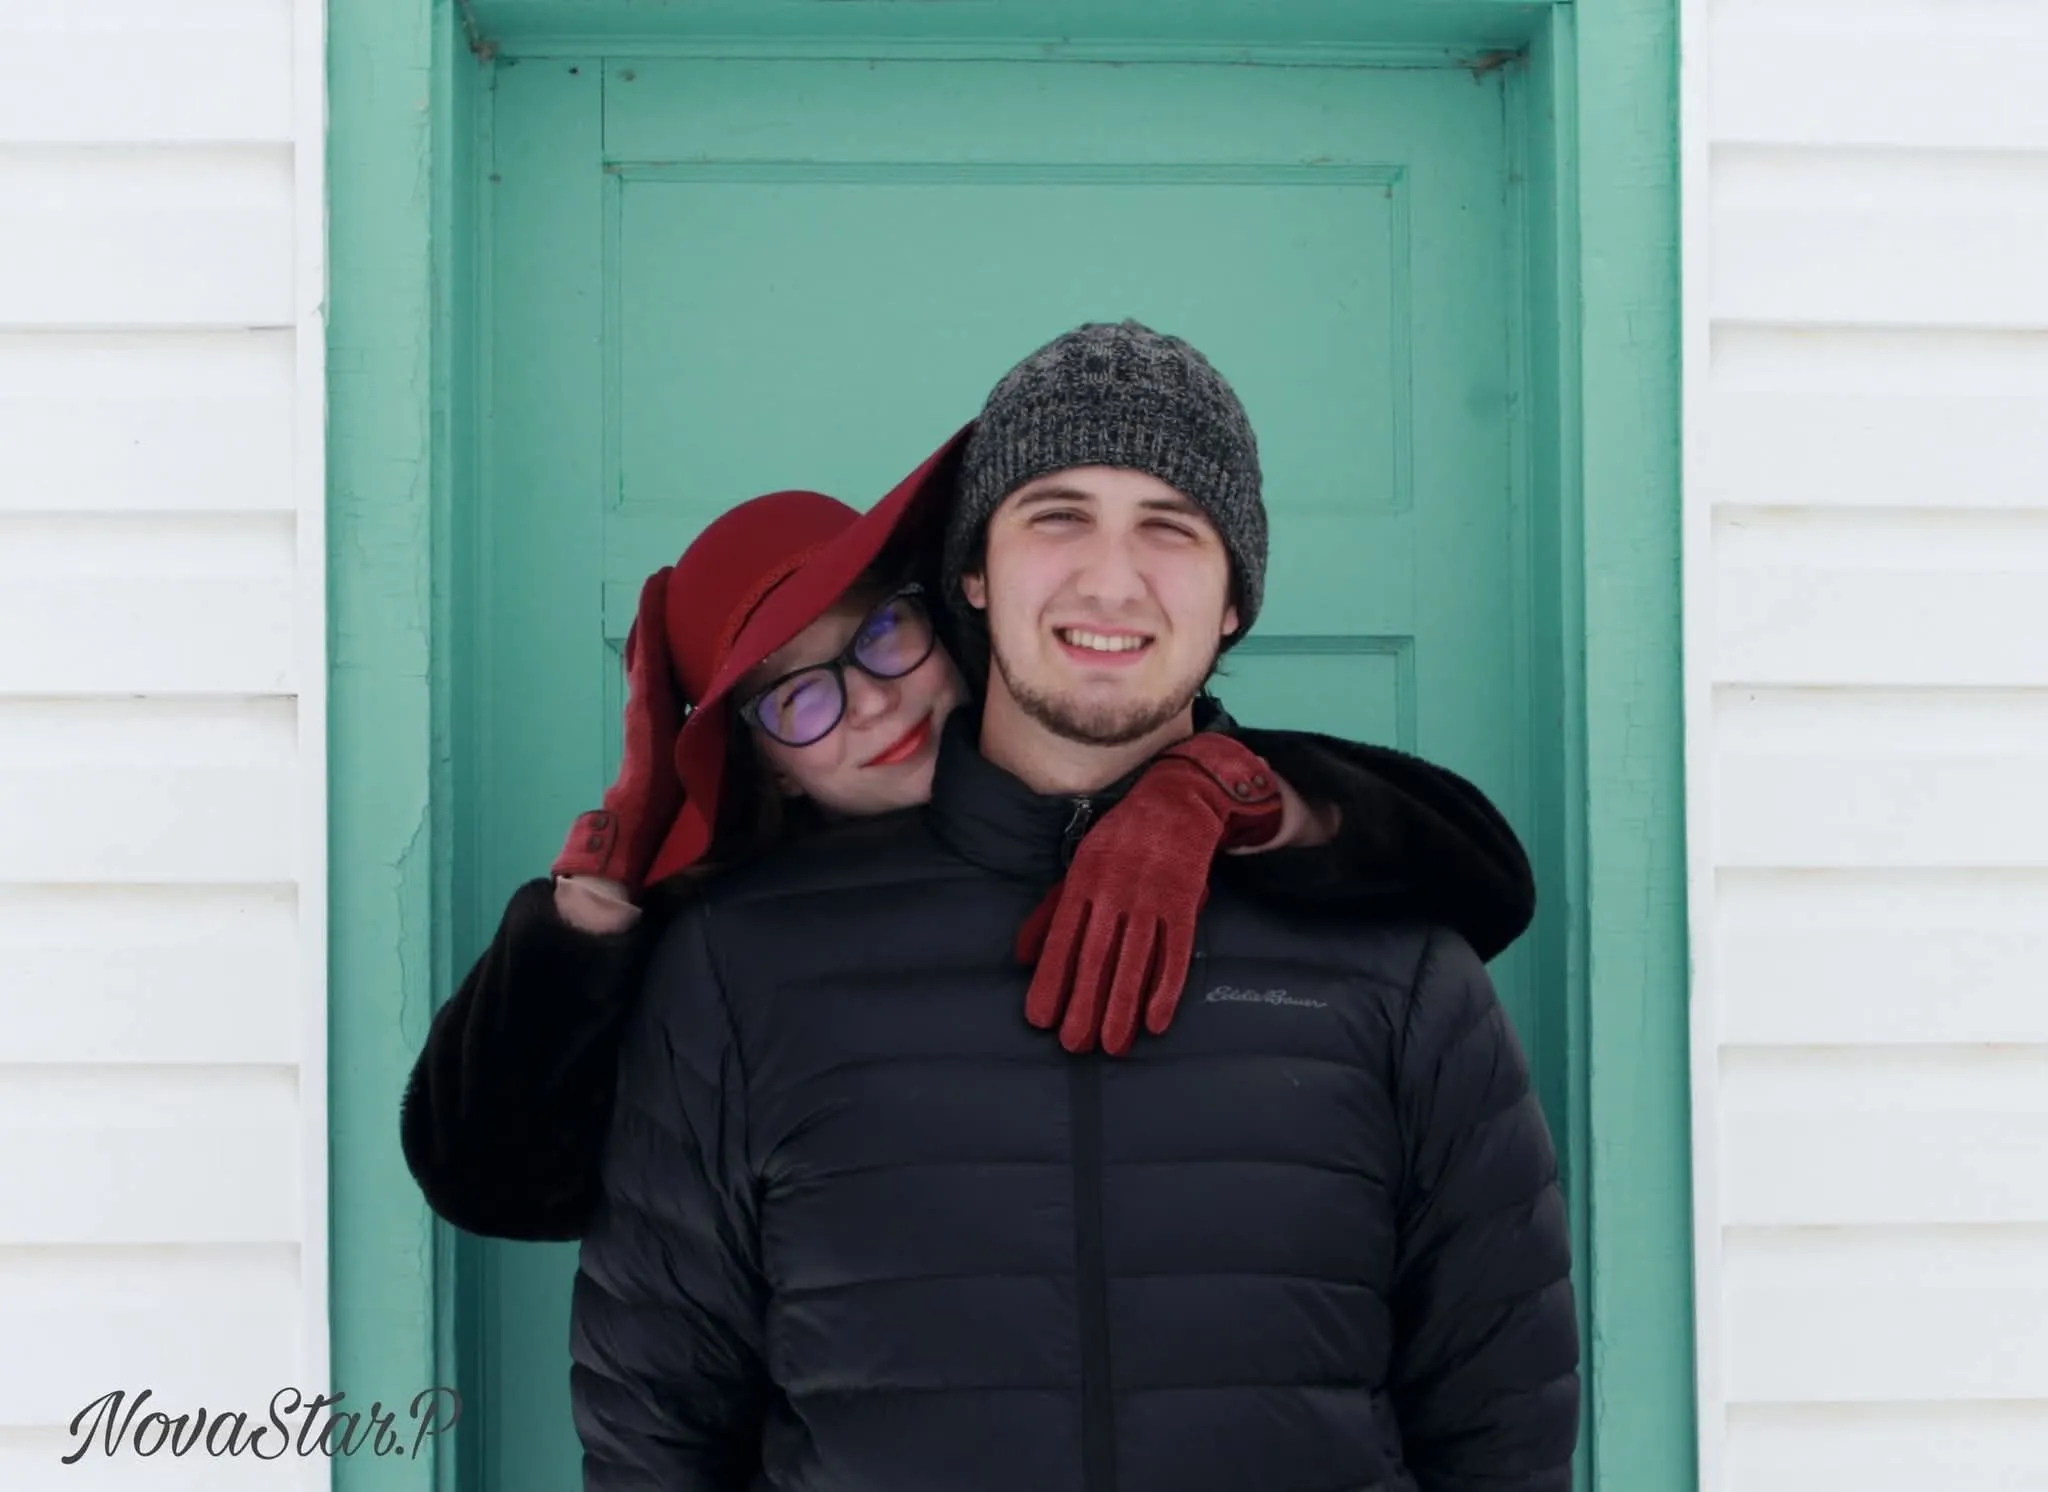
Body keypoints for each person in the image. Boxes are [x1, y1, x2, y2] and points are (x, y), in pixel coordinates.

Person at [567, 321, 1580, 1492]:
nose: (1111, 579)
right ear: (973, 574)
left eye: (1171, 527)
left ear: (1234, 598)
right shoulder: (743, 968)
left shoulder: (1395, 964)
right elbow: (652, 1426)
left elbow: (1503, 1429)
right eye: (1056, 517)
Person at [401, 426, 1537, 1243]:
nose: (874, 703)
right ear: (763, 762)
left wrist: (1214, 784)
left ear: (942, 611)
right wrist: (593, 901)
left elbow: (1484, 877)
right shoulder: (729, 960)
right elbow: (499, 1185)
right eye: (798, 699)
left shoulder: (1116, 764)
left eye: (881, 637)